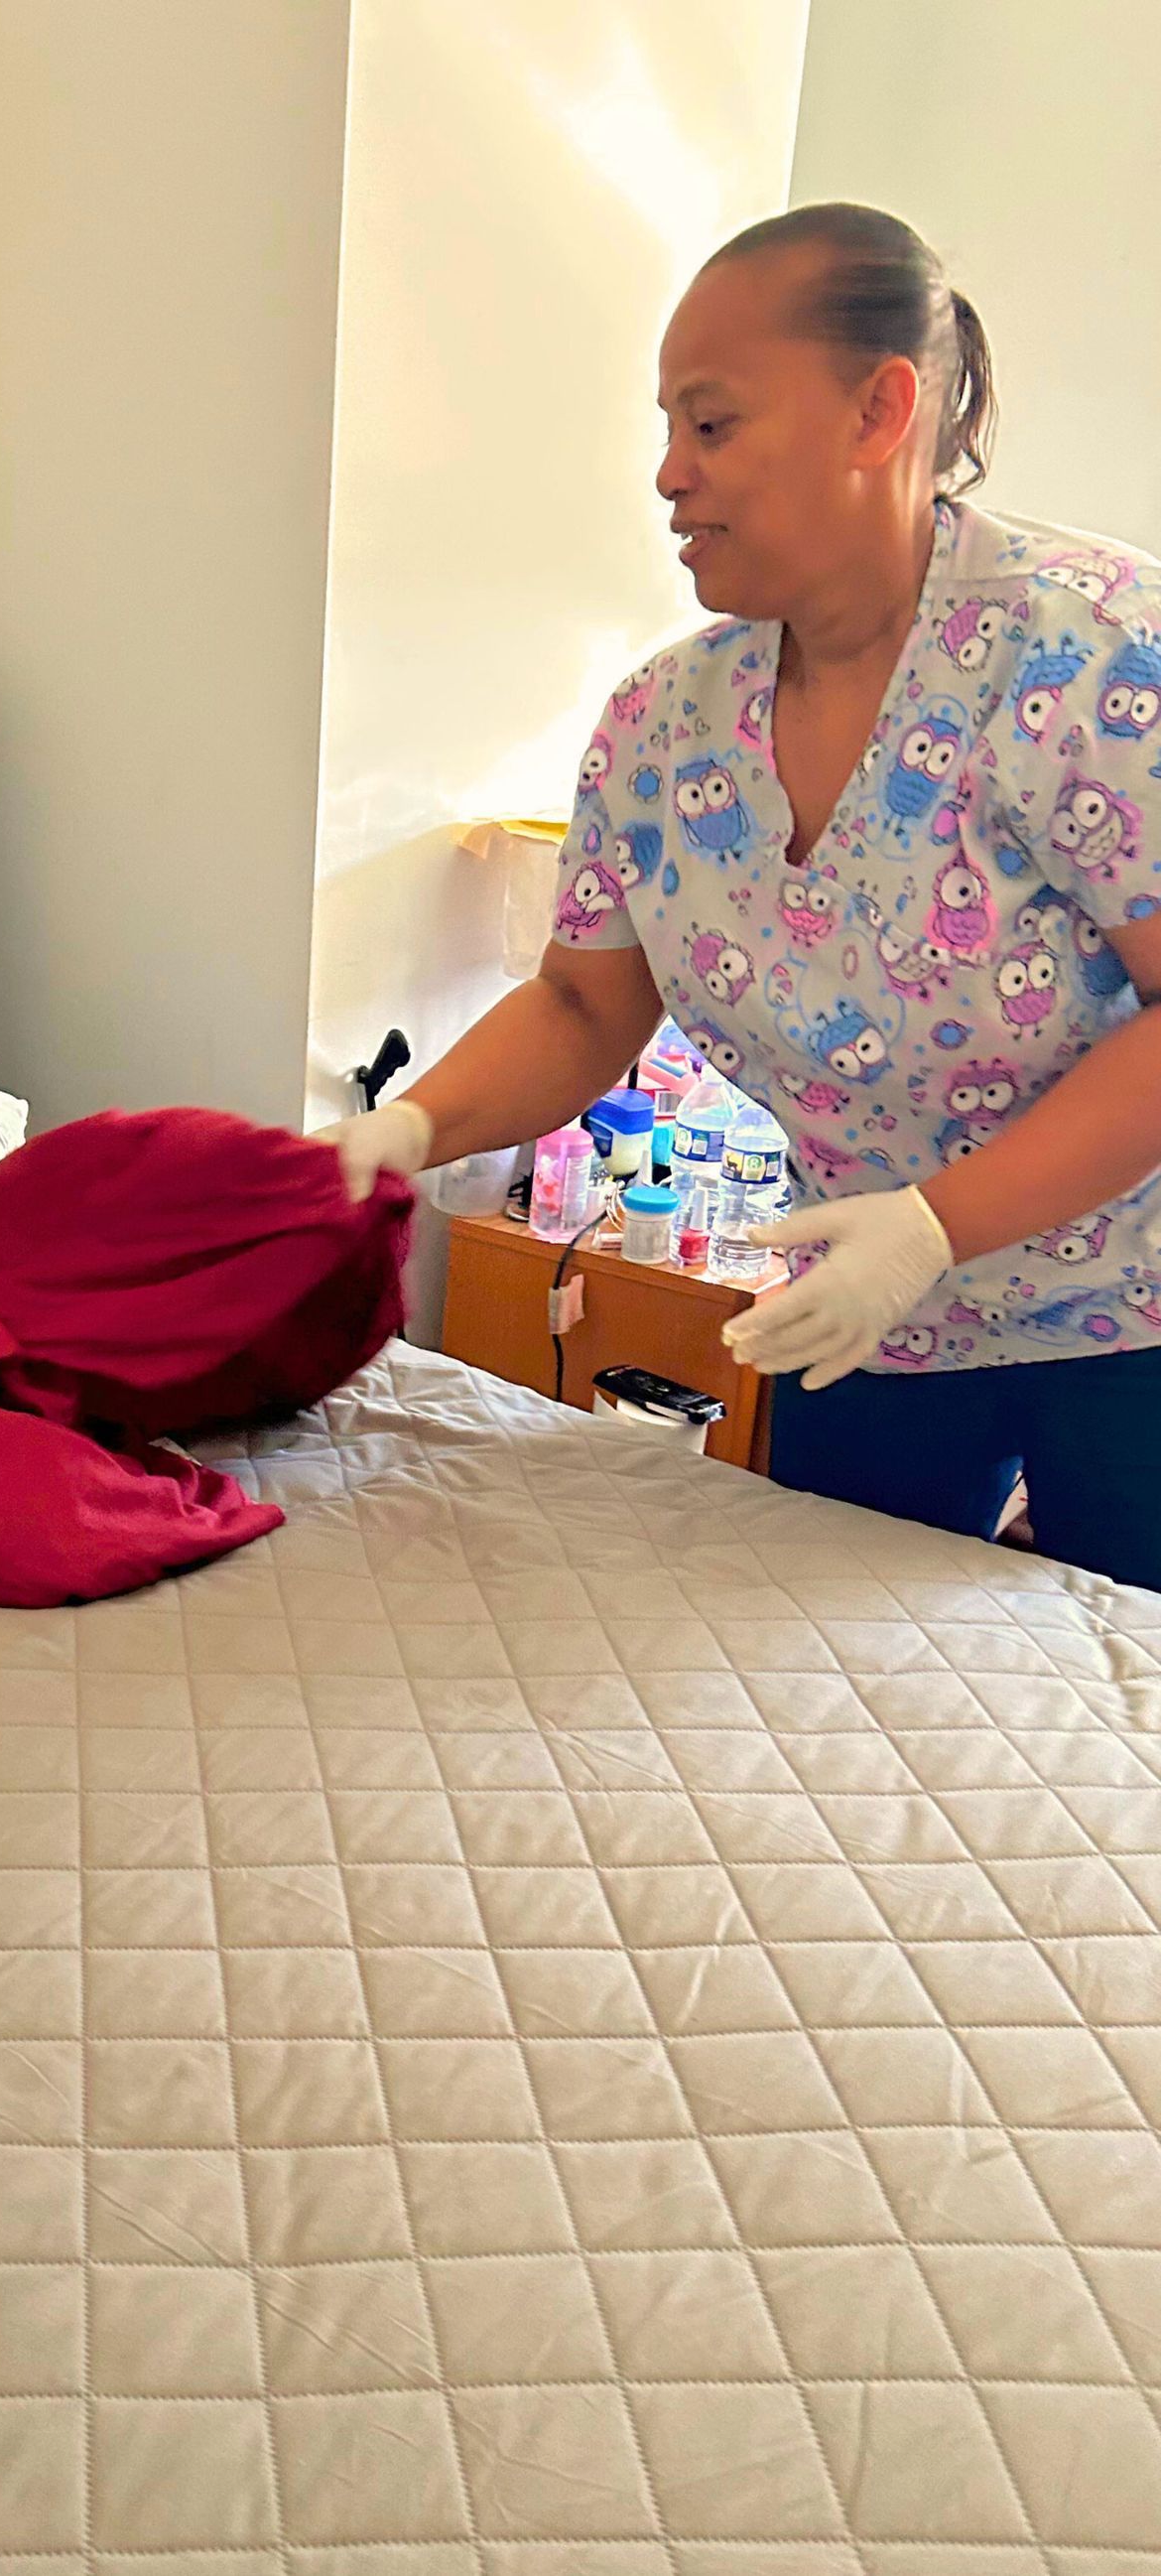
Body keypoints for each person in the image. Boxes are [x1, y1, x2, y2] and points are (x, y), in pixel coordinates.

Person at [322, 202, 1161, 1589]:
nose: (666, 474)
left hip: (1136, 1311)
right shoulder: (663, 725)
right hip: (866, 1307)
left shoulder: (1097, 662)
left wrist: (939, 1223)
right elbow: (586, 1004)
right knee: (839, 1698)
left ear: (878, 410)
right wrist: (405, 1130)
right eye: (667, 428)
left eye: (711, 426)